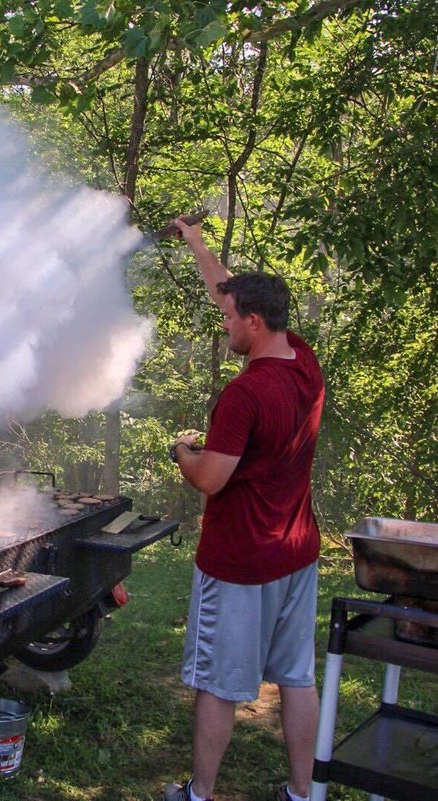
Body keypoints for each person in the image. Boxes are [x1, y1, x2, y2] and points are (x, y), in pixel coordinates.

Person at [163, 217, 325, 801]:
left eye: (230, 319)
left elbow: (209, 479)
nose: (223, 322)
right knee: (296, 678)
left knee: (218, 685)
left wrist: (183, 452)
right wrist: (196, 243)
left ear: (253, 324)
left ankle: (199, 793)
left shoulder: (244, 394)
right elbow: (229, 290)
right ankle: (302, 793)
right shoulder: (302, 362)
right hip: (296, 551)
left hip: (239, 562)